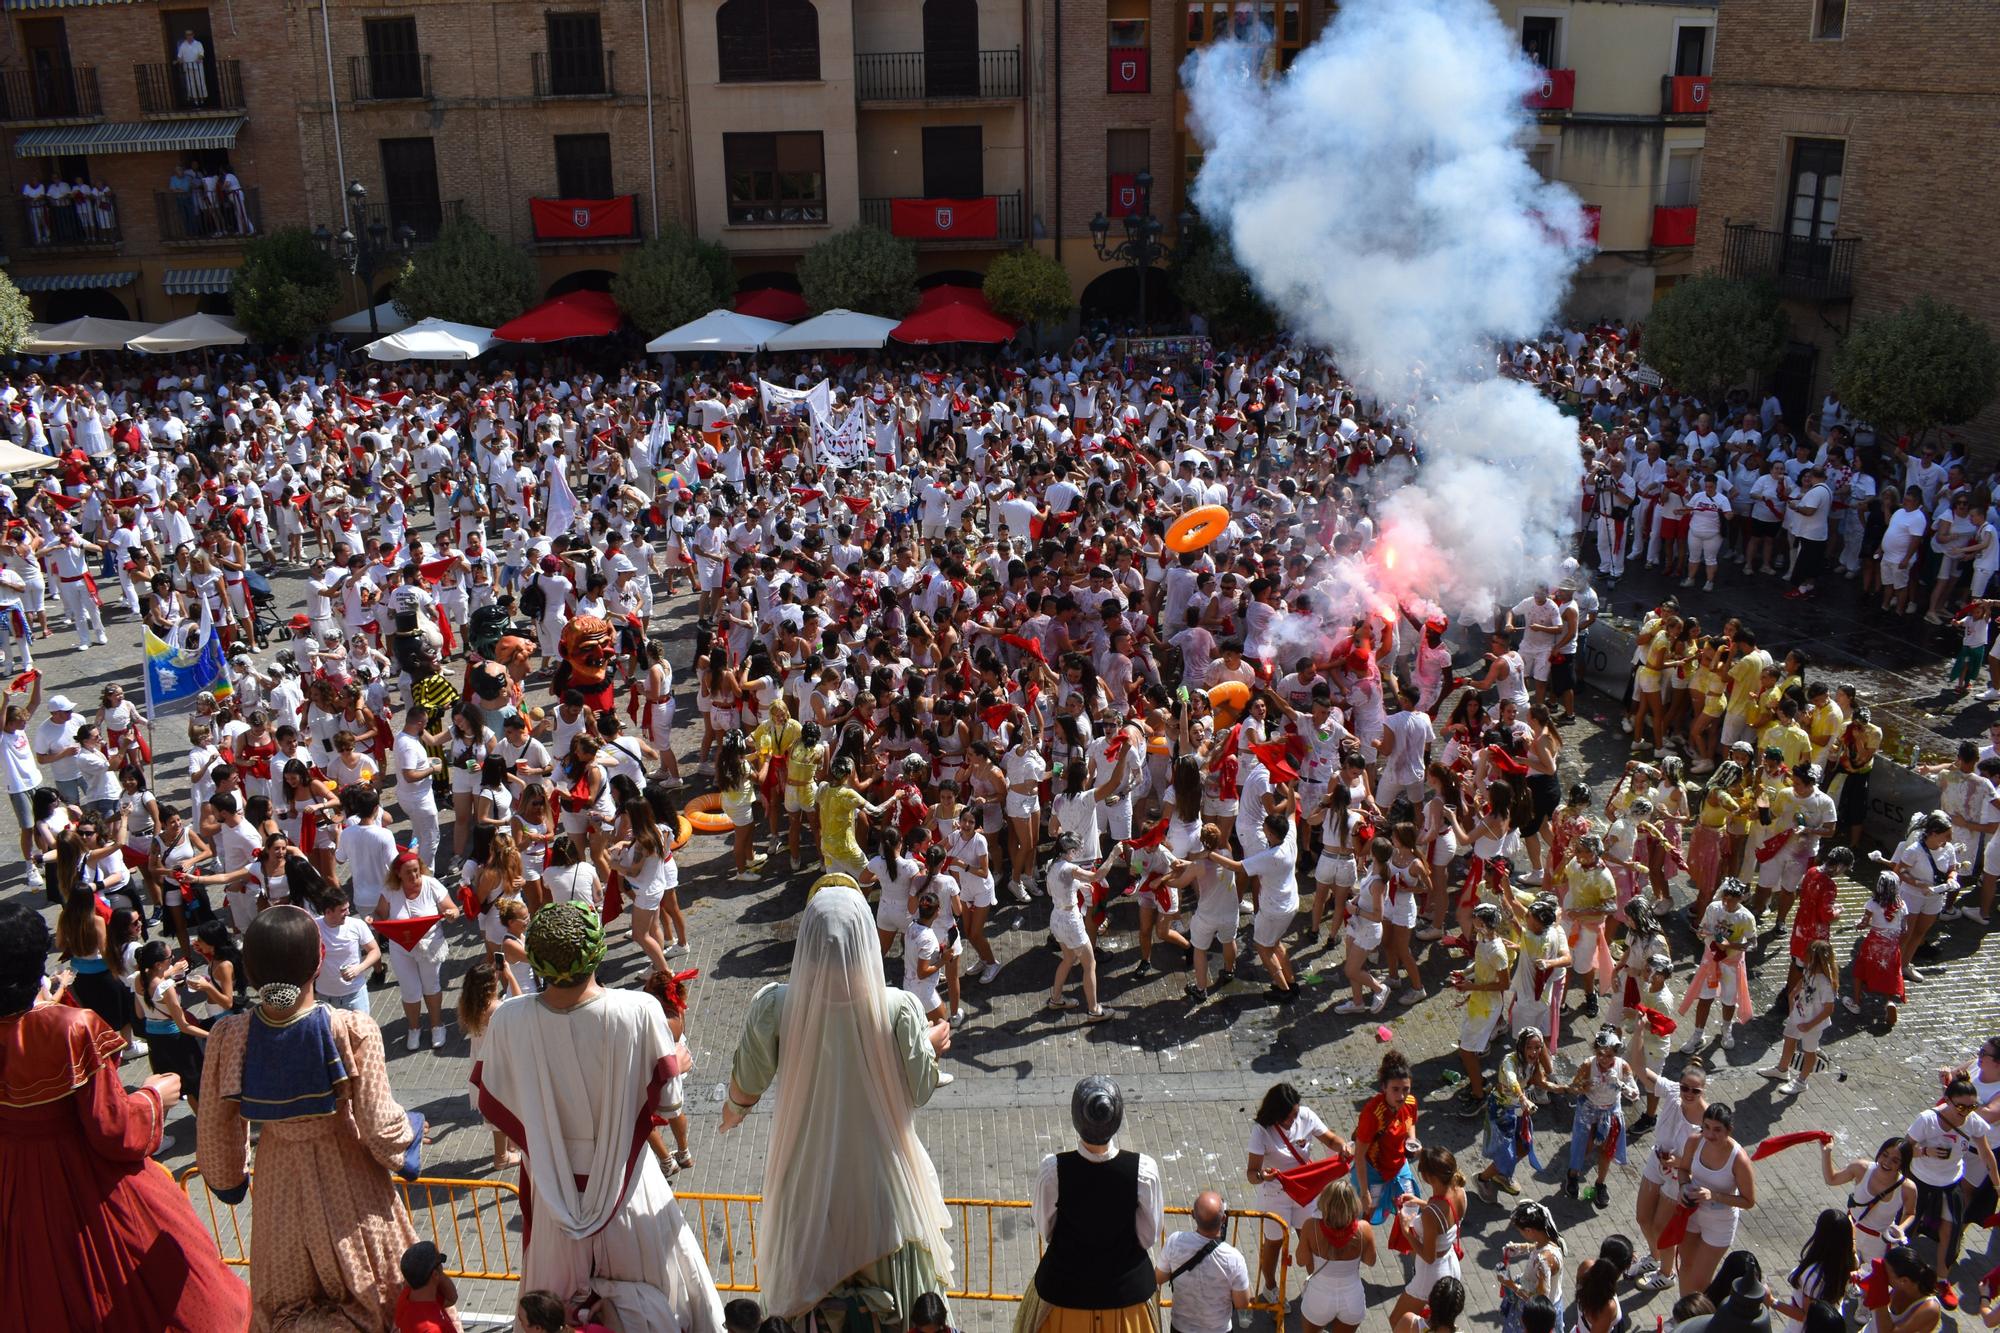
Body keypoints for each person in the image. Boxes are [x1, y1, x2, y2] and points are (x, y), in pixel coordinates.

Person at [0, 898, 251, 1331]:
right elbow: (112, 1129)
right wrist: (153, 1097)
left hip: (15, 1184)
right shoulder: (72, 1027)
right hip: (85, 1182)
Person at [472, 901, 725, 1332]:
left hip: (553, 1204)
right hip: (631, 1195)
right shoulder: (639, 1009)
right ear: (596, 952)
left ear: (536, 959)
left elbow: (497, 1113)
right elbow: (669, 1105)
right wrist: (674, 1065)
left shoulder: (508, 1019)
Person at [722, 885, 954, 1324]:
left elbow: (745, 1090)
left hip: (807, 1187)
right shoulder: (898, 1007)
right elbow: (921, 1090)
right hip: (883, 1191)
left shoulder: (775, 1005)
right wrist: (930, 1044)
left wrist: (731, 1113)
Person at [196, 903, 422, 1329]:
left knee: (284, 1300)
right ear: (319, 961)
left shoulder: (230, 1037)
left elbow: (214, 1128)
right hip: (347, 1179)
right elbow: (378, 1126)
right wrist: (411, 1132)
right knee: (374, 1291)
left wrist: (230, 1181)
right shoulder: (351, 1030)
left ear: (251, 969)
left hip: (278, 1181)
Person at [1027, 1075, 1163, 1333]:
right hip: (1128, 1299)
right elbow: (1148, 1236)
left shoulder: (1052, 1171)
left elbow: (1047, 1230)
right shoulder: (1144, 1171)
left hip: (1063, 1294)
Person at [1246, 1081, 1351, 1301]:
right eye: (1288, 1117)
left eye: (1295, 1114)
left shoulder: (1306, 1115)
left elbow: (1330, 1139)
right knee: (1274, 1243)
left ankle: (1315, 1284)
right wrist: (1263, 1176)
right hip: (1275, 1195)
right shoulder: (1261, 1131)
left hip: (1305, 1191)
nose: (1293, 1120)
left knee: (1310, 1238)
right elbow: (1252, 1174)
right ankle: (1270, 1288)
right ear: (1275, 1114)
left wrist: (1342, 1146)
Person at [1154, 1191, 1251, 1333]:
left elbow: (1158, 1277)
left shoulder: (1175, 1242)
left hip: (1181, 1328)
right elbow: (1242, 1303)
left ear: (1193, 1215)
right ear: (1223, 1219)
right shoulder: (1234, 1259)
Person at [1294, 1178, 1375, 1333]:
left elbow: (1301, 1260)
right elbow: (1370, 1261)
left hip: (1318, 1298)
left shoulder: (1311, 1226)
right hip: (1352, 1299)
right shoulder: (1364, 1229)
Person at [397, 1240, 462, 1333]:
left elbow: (452, 1298)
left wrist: (437, 1272)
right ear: (435, 1275)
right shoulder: (432, 1328)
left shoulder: (408, 1297)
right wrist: (439, 1273)